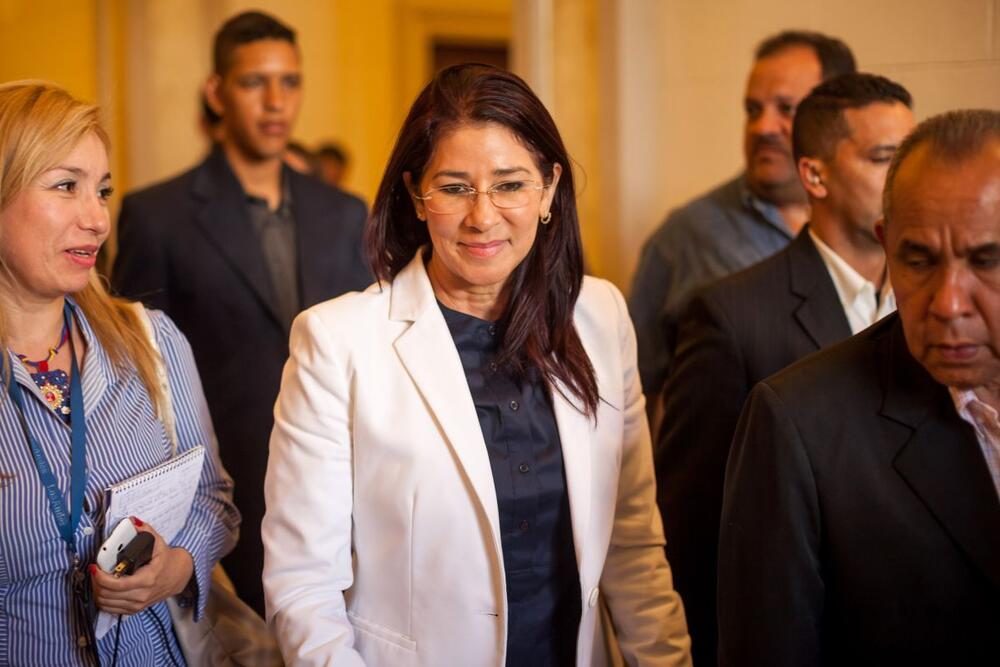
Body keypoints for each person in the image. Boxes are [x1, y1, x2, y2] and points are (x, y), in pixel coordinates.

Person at [262, 64, 692, 666]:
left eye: (510, 185)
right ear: (417, 195)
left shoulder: (599, 315)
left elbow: (633, 541)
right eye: (455, 188)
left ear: (549, 189)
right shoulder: (338, 342)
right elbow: (303, 586)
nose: (483, 217)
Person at [718, 109, 1000, 664]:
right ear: (886, 244)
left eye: (986, 260)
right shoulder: (799, 423)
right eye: (918, 260)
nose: (948, 303)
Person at [112, 10, 370, 615]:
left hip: (346, 481)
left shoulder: (344, 213)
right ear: (216, 91)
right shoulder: (158, 215)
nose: (276, 102)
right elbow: (138, 378)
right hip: (225, 491)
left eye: (290, 81)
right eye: (255, 82)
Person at [655, 73, 914, 665]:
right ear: (815, 176)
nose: (906, 177)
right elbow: (693, 528)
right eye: (884, 159)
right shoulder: (730, 316)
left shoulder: (930, 301)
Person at [0, 81, 239, 665]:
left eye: (102, 190)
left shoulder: (151, 341)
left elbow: (214, 497)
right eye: (66, 186)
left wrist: (175, 567)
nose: (98, 219)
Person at [629, 30, 855, 405]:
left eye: (786, 109)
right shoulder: (686, 235)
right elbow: (636, 389)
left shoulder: (870, 228)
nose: (762, 128)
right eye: (753, 110)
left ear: (838, 119)